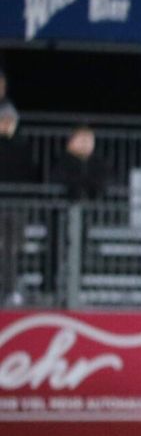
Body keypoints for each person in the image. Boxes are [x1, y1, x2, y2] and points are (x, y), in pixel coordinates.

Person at [0, 91, 38, 307]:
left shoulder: (22, 146)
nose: (6, 124)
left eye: (9, 121)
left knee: (12, 250)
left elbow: (30, 176)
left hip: (15, 207)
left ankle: (10, 289)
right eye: (2, 120)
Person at [50, 125, 110, 201]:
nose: (85, 143)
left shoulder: (99, 163)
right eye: (81, 139)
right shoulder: (62, 161)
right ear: (70, 142)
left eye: (89, 140)